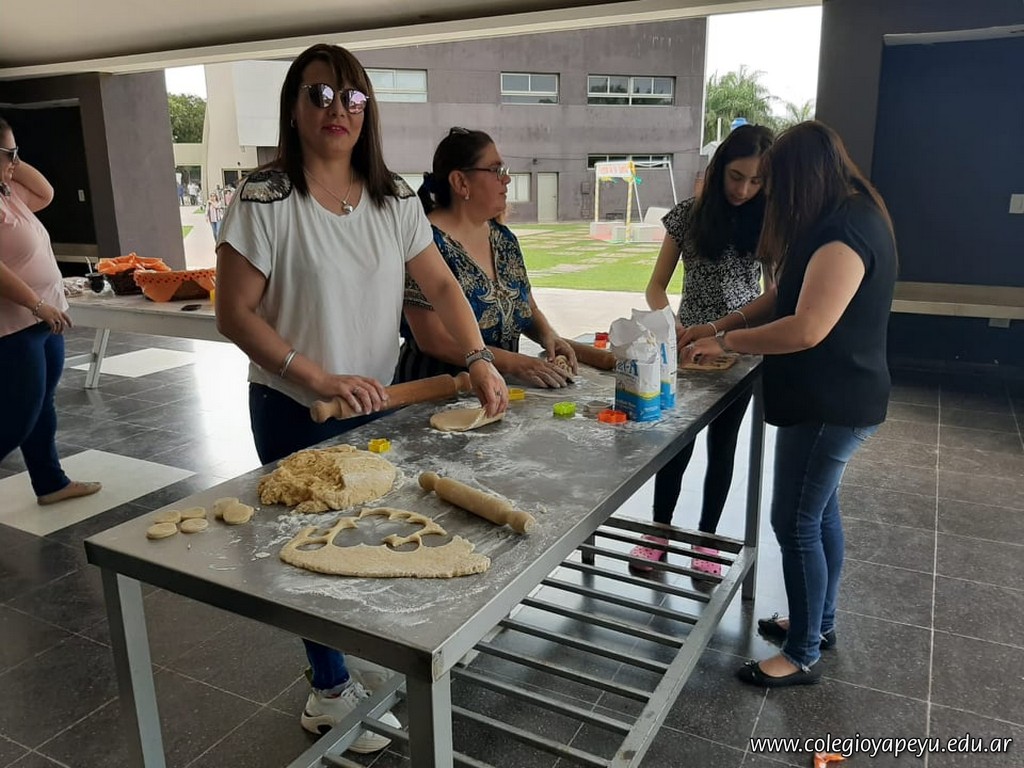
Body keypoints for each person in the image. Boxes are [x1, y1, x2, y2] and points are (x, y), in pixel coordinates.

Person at [214, 44, 508, 752]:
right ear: (294, 108)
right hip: (296, 407)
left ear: (366, 110)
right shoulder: (265, 197)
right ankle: (328, 690)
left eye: (351, 97)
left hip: (375, 404)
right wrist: (316, 377)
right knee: (307, 549)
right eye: (318, 95)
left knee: (366, 534)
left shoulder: (392, 197)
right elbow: (234, 313)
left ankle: (364, 654)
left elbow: (442, 285)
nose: (336, 110)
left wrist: (477, 357)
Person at [681, 121, 897, 687]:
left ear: (803, 178)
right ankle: (817, 624)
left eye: (776, 184)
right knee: (819, 514)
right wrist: (718, 325)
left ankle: (801, 653)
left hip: (832, 404)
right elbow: (782, 295)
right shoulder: (833, 218)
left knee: (795, 521)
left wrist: (726, 343)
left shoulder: (845, 232)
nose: (770, 196)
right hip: (830, 399)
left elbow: (805, 328)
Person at [628, 124, 773, 575]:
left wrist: (735, 336)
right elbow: (655, 286)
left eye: (755, 181)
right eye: (736, 177)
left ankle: (706, 541)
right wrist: (670, 321)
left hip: (739, 352)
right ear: (719, 168)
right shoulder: (687, 216)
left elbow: (775, 294)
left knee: (723, 446)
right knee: (676, 442)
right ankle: (658, 532)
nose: (743, 190)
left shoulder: (769, 221)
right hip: (688, 349)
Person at [397, 127, 577, 387]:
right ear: (460, 182)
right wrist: (516, 363)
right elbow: (433, 340)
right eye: (496, 170)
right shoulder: (423, 242)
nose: (507, 180)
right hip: (437, 392)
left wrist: (548, 336)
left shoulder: (504, 240)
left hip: (500, 388)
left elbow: (527, 307)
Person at [0, 118, 102, 505]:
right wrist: (37, 304)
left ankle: (50, 483)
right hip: (14, 325)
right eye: (10, 154)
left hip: (42, 320)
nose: (16, 161)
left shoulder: (9, 192)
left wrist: (12, 160)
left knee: (42, 404)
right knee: (16, 418)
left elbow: (46, 192)